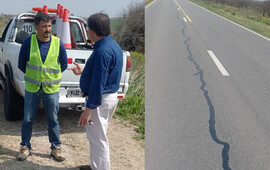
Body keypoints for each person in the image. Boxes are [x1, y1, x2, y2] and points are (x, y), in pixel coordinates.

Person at [68, 12, 123, 170]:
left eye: (87, 29)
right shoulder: (112, 45)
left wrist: (88, 109)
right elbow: (104, 72)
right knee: (99, 135)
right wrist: (85, 71)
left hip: (100, 99)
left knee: (98, 139)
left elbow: (99, 82)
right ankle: (96, 166)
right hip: (109, 97)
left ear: (92, 31)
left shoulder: (101, 52)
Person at [17, 11, 67, 162]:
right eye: (44, 26)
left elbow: (63, 65)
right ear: (36, 27)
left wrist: (48, 78)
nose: (48, 29)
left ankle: (56, 148)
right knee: (27, 119)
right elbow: (22, 65)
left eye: (49, 26)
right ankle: (25, 147)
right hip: (32, 88)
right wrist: (36, 78)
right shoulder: (28, 43)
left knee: (53, 119)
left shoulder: (58, 44)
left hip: (51, 89)